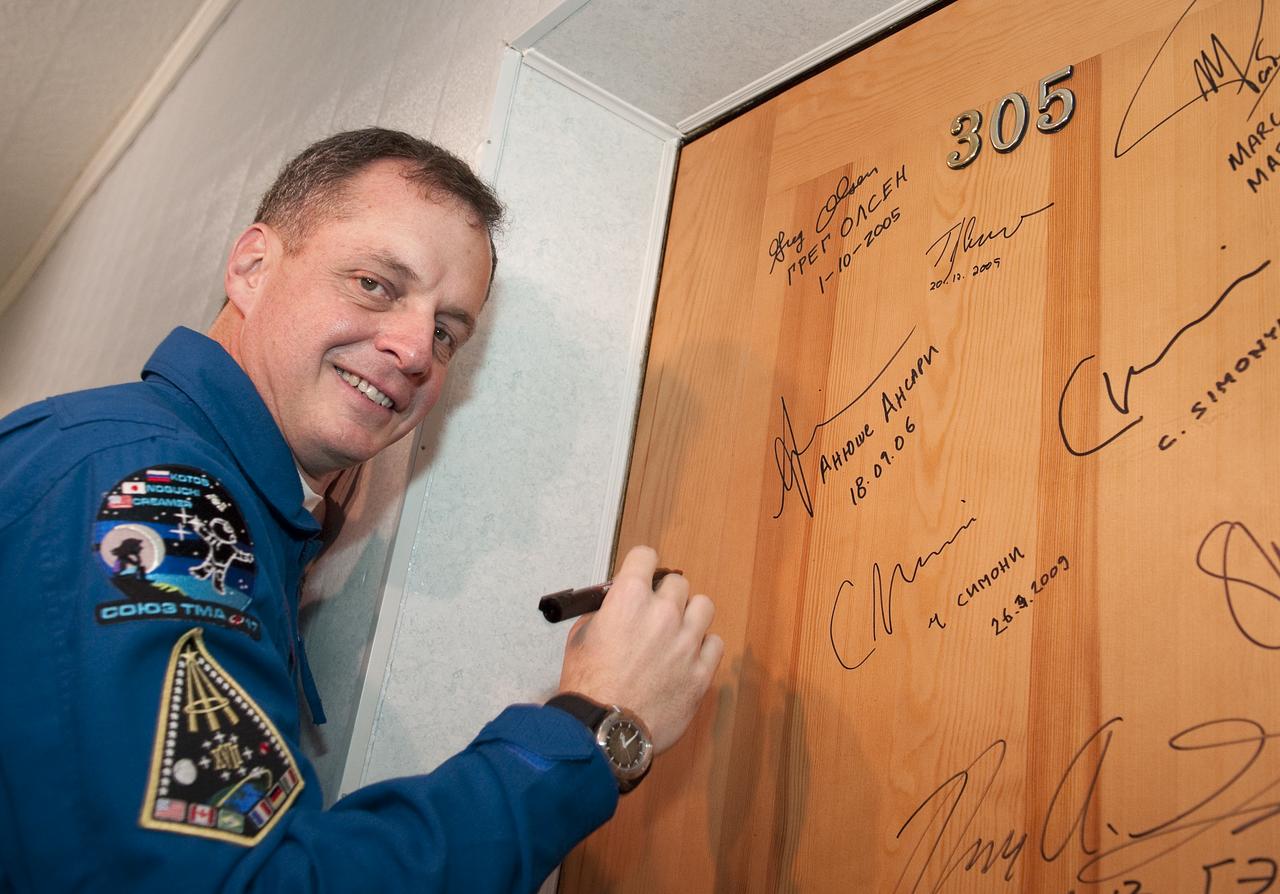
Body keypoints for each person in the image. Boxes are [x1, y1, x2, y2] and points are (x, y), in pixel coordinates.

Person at [0, 128, 724, 892]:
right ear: (251, 268)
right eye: (375, 284)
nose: (416, 350)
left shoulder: (210, 497)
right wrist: (595, 724)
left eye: (447, 333)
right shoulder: (153, 488)